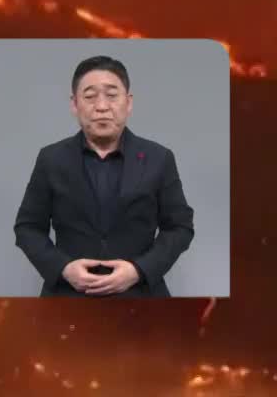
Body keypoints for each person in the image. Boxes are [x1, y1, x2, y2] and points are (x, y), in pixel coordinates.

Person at [13, 55, 195, 296]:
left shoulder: (159, 158)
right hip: (67, 299)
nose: (101, 106)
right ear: (74, 104)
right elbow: (27, 227)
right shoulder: (51, 158)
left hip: (141, 298)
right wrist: (63, 269)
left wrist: (138, 270)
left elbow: (180, 227)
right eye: (89, 97)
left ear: (128, 102)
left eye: (112, 95)